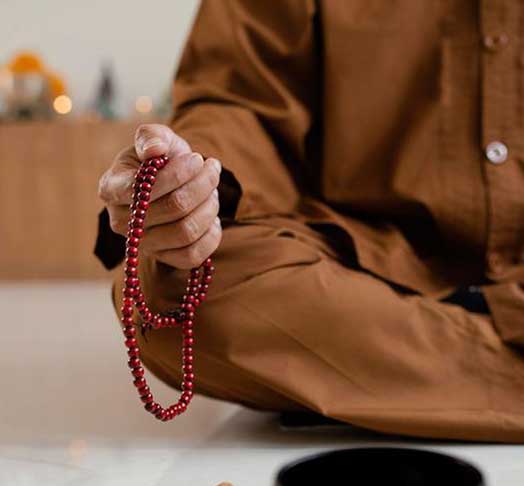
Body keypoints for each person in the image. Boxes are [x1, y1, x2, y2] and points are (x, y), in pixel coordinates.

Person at [96, 0, 524, 442]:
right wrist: (189, 182)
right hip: (367, 264)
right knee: (172, 293)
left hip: (367, 315)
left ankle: (387, 375)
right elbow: (240, 102)